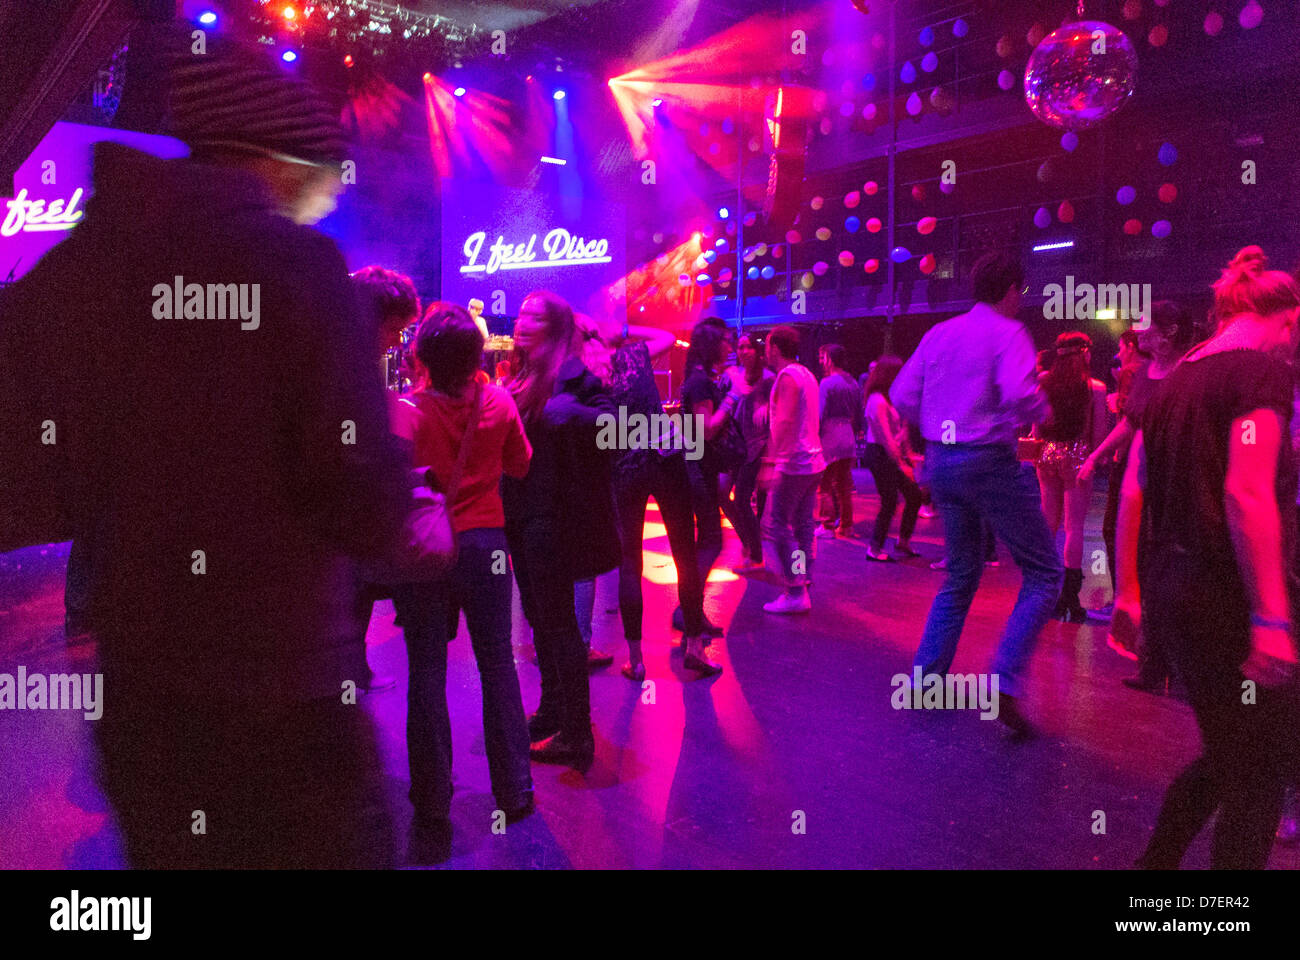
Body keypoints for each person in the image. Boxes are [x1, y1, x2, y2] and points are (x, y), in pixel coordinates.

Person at [0, 30, 408, 867]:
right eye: (322, 190)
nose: (323, 208)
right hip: (284, 698)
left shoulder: (80, 268)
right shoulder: (297, 267)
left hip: (146, 704)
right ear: (282, 165)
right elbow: (363, 497)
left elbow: (25, 478)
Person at [1115, 247, 1300, 869]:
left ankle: (1153, 870)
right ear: (1289, 321)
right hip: (1226, 599)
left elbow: (1134, 492)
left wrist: (1129, 592)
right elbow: (1246, 491)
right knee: (1258, 771)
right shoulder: (1260, 375)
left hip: (1175, 592)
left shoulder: (1175, 381)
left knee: (1232, 751)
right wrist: (1272, 620)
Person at [890, 252, 1061, 736]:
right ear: (1011, 289)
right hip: (989, 461)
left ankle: (925, 678)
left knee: (960, 574)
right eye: (1020, 293)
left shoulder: (939, 333)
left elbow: (902, 395)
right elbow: (1018, 391)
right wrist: (1041, 410)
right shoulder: (1008, 333)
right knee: (1045, 571)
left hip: (942, 462)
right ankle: (1005, 681)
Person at [397, 304, 536, 861]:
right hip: (487, 547)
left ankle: (432, 802)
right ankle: (516, 789)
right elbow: (522, 465)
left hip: (429, 549)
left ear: (423, 356)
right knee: (498, 664)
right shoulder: (499, 401)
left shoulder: (407, 411)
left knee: (426, 671)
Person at [504, 291, 620, 771]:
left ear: (554, 326)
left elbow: (628, 429)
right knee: (541, 623)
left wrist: (577, 415)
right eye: (521, 312)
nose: (521, 319)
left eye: (534, 314)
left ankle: (576, 733)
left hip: (553, 522)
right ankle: (553, 712)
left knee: (560, 627)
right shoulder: (521, 376)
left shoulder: (574, 377)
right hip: (524, 520)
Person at [1079, 302, 1196, 684]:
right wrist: (1096, 455)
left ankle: (1166, 660)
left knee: (1163, 564)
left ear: (1170, 332)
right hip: (1133, 477)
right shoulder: (1147, 371)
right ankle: (1150, 656)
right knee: (1123, 545)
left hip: (1172, 482)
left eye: (1146, 326)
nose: (1138, 332)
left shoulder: (1190, 371)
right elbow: (1131, 423)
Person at [598, 319, 719, 678]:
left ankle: (636, 662)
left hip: (624, 462)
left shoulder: (593, 374)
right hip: (664, 454)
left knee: (630, 561)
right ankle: (695, 648)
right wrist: (624, 328)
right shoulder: (633, 354)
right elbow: (667, 335)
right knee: (684, 551)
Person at [1032, 332, 1108, 621]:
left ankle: (1043, 590)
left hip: (1047, 455)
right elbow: (1098, 434)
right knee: (1074, 527)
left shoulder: (1044, 383)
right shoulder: (1095, 388)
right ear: (1085, 352)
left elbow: (1036, 427)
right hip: (1078, 456)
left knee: (1048, 523)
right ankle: (1070, 597)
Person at [678, 320, 738, 637]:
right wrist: (733, 399)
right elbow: (706, 429)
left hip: (699, 467)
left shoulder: (699, 379)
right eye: (725, 341)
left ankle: (688, 610)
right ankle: (686, 610)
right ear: (712, 343)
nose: (730, 347)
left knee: (707, 541)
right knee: (711, 541)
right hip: (698, 469)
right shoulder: (701, 382)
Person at [762, 325, 826, 614]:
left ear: (774, 348)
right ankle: (803, 579)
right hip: (813, 460)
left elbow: (786, 422)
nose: (764, 349)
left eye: (766, 344)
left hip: (794, 463)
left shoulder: (787, 376)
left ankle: (795, 590)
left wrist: (770, 463)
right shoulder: (807, 374)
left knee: (776, 525)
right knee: (803, 526)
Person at [862, 355, 923, 561]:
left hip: (888, 453)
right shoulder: (877, 400)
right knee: (890, 500)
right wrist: (901, 464)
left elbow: (900, 430)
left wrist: (908, 453)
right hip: (879, 453)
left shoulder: (891, 398)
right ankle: (874, 548)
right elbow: (885, 437)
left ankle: (903, 542)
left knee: (914, 496)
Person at [724, 333, 775, 572]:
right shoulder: (732, 374)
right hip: (734, 445)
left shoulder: (768, 378)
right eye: (740, 347)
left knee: (743, 500)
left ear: (757, 351)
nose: (743, 351)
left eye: (747, 347)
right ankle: (748, 541)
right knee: (722, 493)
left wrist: (765, 408)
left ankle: (756, 555)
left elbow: (776, 410)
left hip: (756, 446)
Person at [816, 343, 865, 539]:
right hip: (847, 433)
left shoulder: (827, 383)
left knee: (825, 482)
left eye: (823, 357)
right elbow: (859, 412)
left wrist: (815, 434)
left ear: (829, 358)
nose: (821, 361)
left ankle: (827, 526)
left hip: (830, 433)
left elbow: (821, 413)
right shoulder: (852, 382)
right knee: (844, 484)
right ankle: (846, 526)